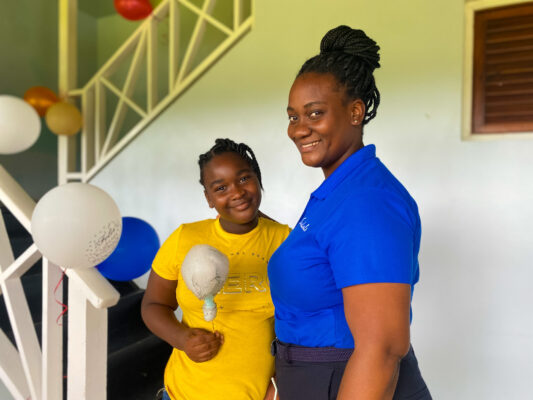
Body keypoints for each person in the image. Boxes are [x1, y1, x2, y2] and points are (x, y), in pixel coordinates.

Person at [267, 25, 432, 399]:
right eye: (293, 117)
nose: (299, 129)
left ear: (355, 111)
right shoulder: (339, 193)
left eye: (315, 113)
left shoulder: (366, 203)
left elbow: (382, 349)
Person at [141, 138, 291, 400]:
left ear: (258, 179)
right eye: (221, 187)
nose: (236, 192)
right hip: (184, 393)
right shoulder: (185, 238)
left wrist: (280, 384)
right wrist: (182, 338)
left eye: (244, 179)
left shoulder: (285, 241)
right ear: (208, 198)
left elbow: (307, 317)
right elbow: (153, 305)